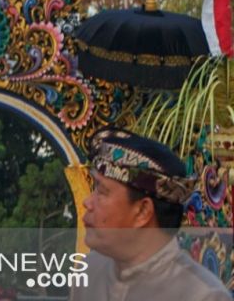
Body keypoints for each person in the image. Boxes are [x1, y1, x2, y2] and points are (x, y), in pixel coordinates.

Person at [71, 128, 228, 301]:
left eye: (102, 191)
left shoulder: (202, 295)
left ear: (143, 211)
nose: (87, 202)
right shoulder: (89, 273)